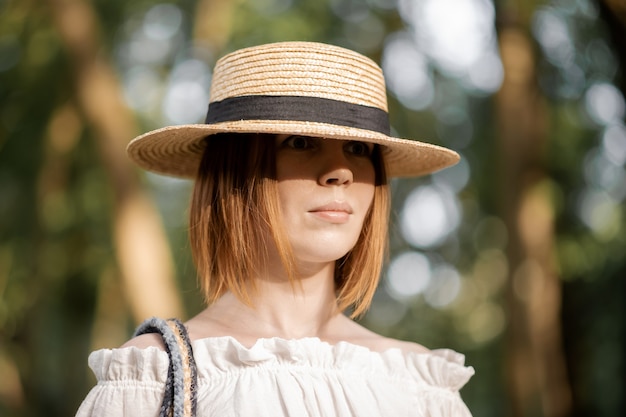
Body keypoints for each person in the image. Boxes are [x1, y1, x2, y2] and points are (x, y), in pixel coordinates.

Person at [75, 41, 474, 417]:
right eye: (300, 142)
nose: (340, 172)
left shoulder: (422, 387)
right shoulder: (149, 379)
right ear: (234, 169)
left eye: (359, 149)